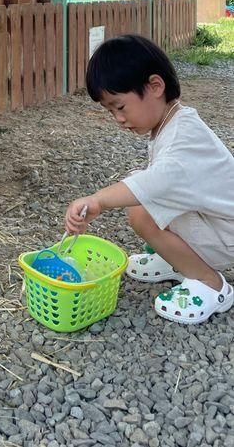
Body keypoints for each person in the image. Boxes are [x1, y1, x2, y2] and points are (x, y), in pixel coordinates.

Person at [64, 34, 234, 324]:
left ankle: (210, 283)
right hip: (216, 222)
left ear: (155, 86)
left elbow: (153, 185)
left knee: (141, 213)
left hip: (227, 236)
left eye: (120, 106)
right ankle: (176, 259)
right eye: (110, 111)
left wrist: (97, 201)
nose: (118, 118)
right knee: (144, 199)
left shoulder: (183, 141)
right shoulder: (174, 121)